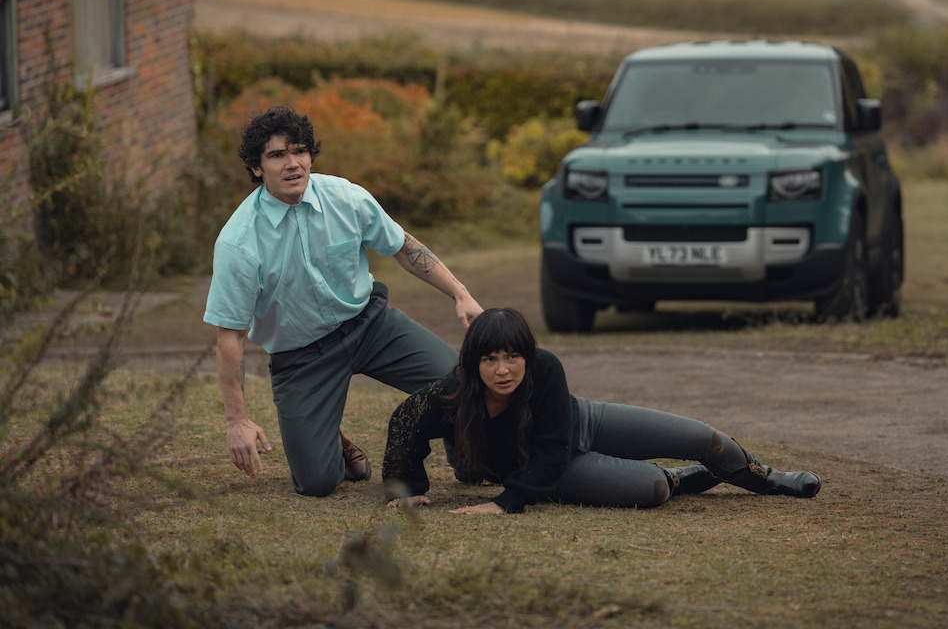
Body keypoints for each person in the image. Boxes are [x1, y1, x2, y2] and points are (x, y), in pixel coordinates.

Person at [203, 105, 483, 497]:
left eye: (299, 151)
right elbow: (229, 336)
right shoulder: (238, 241)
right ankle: (329, 436)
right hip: (302, 357)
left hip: (370, 326)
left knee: (461, 383)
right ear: (255, 167)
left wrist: (461, 294)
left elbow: (402, 247)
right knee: (317, 483)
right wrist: (237, 421)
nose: (292, 163)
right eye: (277, 155)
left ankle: (470, 457)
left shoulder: (346, 198)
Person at [382, 307, 820, 513]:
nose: (502, 370)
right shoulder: (449, 395)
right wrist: (408, 488)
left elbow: (555, 441)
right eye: (489, 359)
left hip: (582, 421)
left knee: (702, 437)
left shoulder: (545, 369)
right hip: (545, 465)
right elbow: (403, 423)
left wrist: (503, 505)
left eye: (512, 357)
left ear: (528, 356)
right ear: (472, 361)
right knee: (653, 489)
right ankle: (683, 479)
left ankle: (766, 480)